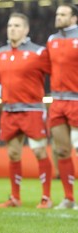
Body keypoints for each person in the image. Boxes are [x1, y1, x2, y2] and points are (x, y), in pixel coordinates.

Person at [0, 13, 52, 209]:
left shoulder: (39, 52)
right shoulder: (0, 52)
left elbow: (56, 71)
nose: (12, 29)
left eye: (17, 26)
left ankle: (46, 197)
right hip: (9, 110)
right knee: (13, 154)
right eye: (10, 25)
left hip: (32, 110)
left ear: (26, 29)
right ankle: (15, 197)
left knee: (39, 151)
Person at [47, 4, 78, 209]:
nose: (58, 17)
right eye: (57, 14)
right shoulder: (52, 40)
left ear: (74, 18)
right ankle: (68, 198)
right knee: (62, 150)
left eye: (63, 14)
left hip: (76, 99)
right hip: (57, 101)